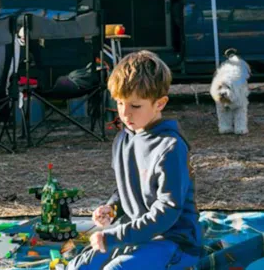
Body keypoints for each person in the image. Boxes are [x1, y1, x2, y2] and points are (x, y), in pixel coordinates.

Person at [69, 51, 202, 270]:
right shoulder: (123, 138)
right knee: (79, 267)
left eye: (135, 106)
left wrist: (115, 236)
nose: (125, 114)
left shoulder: (171, 147)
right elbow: (127, 189)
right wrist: (111, 208)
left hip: (173, 241)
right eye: (120, 103)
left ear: (160, 103)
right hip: (134, 234)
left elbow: (166, 212)